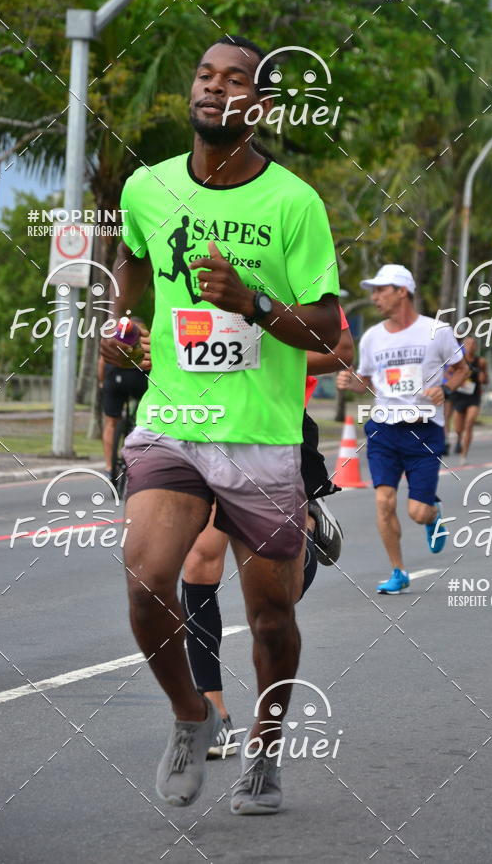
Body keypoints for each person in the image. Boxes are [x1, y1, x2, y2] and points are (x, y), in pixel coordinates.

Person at [101, 35, 341, 815]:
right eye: (204, 74)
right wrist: (122, 318)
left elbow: (328, 329)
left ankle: (266, 755)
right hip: (172, 418)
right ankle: (189, 715)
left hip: (261, 436)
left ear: (258, 105)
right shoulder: (148, 186)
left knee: (272, 616)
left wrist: (255, 304)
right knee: (145, 579)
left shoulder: (293, 202)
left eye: (234, 80)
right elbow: (133, 256)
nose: (214, 88)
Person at [180, 317, 353, 757]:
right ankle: (212, 714)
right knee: (200, 558)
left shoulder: (289, 266)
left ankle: (309, 528)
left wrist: (265, 353)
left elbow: (342, 350)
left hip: (277, 426)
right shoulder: (188, 272)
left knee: (278, 593)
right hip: (204, 423)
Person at [337, 264, 469, 594]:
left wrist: (446, 389)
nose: (374, 296)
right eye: (373, 290)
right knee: (384, 501)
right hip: (383, 430)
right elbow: (365, 382)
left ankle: (432, 514)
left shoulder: (436, 331)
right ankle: (398, 571)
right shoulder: (372, 337)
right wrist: (350, 382)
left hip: (424, 431)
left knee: (417, 512)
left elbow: (461, 369)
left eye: (381, 289)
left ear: (402, 291)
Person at [98, 317, 150, 476]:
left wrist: (102, 383)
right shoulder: (146, 334)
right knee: (148, 420)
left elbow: (102, 362)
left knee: (111, 423)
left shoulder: (116, 336)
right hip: (140, 379)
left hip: (114, 378)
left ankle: (108, 467)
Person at [447, 337, 487, 464]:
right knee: (458, 428)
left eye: (473, 344)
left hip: (473, 397)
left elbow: (486, 379)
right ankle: (459, 439)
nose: (471, 346)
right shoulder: (458, 361)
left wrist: (483, 377)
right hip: (459, 396)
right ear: (463, 346)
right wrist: (457, 381)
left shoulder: (481, 362)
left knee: (469, 423)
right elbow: (449, 373)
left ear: (476, 347)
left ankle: (463, 455)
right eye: (468, 344)